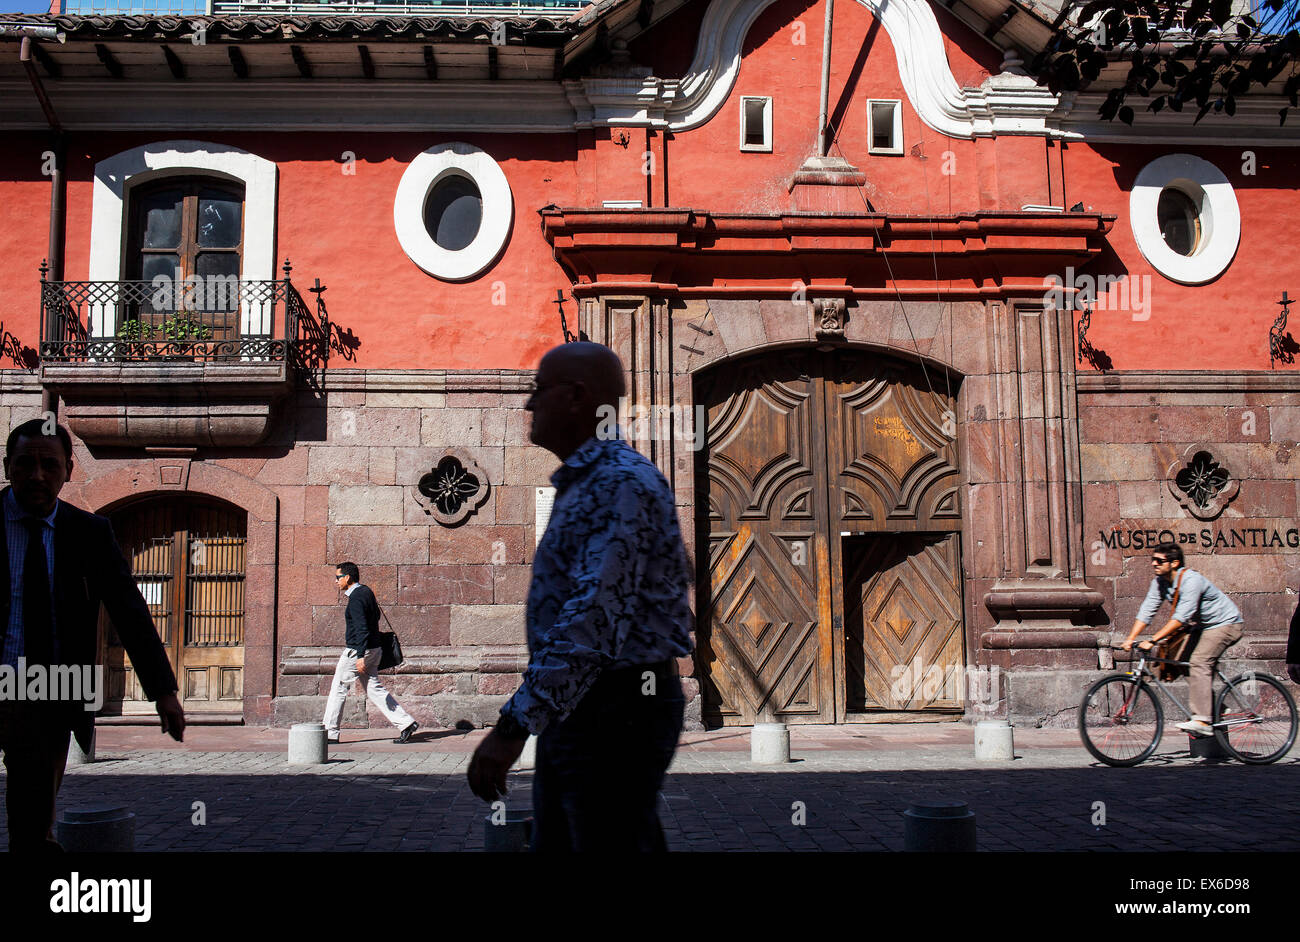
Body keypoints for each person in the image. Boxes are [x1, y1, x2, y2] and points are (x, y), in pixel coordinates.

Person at [466, 341, 693, 852]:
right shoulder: (592, 482)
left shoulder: (617, 483)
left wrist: (513, 726)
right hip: (591, 706)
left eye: (538, 390)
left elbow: (593, 615)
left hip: (616, 708)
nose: (529, 404)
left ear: (575, 397)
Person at [0, 419, 184, 852]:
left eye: (50, 464)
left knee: (30, 826)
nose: (38, 475)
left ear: (69, 470)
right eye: (26, 464)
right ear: (8, 466)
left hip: (46, 692)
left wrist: (163, 692)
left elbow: (129, 612)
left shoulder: (88, 533)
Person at [1121, 541, 1244, 736]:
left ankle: (1203, 720)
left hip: (1226, 624)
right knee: (1180, 660)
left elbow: (1181, 618)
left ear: (1175, 563)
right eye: (1153, 560)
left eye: (1159, 561)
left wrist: (1152, 640)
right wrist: (1131, 638)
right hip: (1203, 626)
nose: (1154, 564)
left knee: (1199, 661)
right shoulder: (1160, 582)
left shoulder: (1191, 580)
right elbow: (1147, 610)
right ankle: (1214, 708)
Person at [322, 562, 418, 744]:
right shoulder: (366, 592)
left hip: (358, 651)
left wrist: (359, 656)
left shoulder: (356, 598)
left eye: (338, 577)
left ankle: (330, 732)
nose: (336, 581)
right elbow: (375, 618)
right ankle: (406, 723)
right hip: (374, 648)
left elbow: (362, 628)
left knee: (339, 688)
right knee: (374, 688)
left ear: (347, 577)